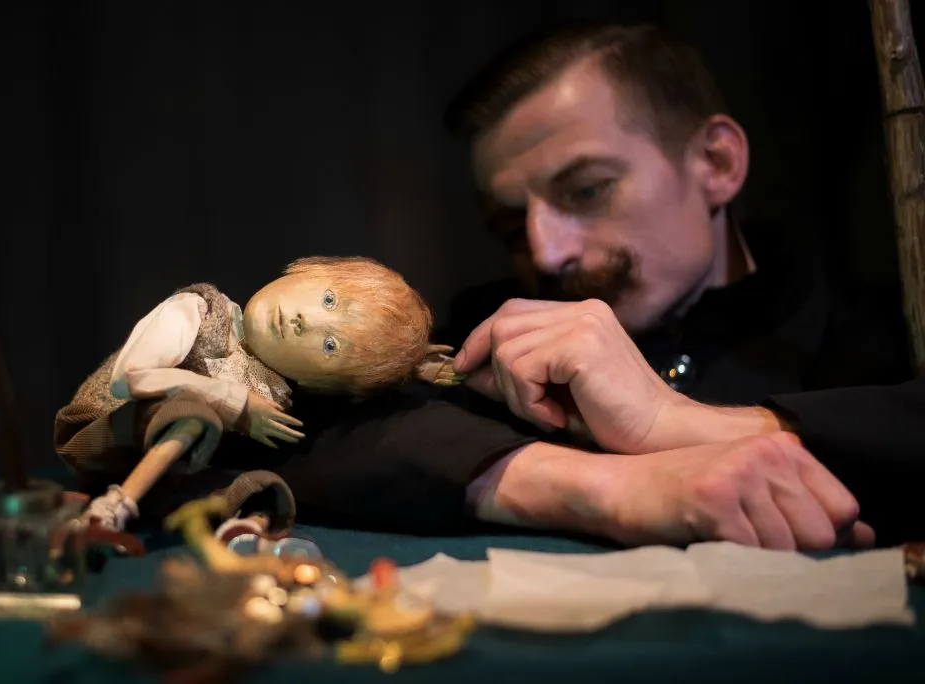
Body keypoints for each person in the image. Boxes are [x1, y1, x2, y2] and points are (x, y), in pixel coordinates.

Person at [237, 20, 922, 550]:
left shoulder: (873, 340)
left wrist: (679, 425)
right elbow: (285, 430)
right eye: (511, 225)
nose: (546, 250)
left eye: (587, 190)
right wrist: (606, 487)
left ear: (716, 162)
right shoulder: (485, 337)